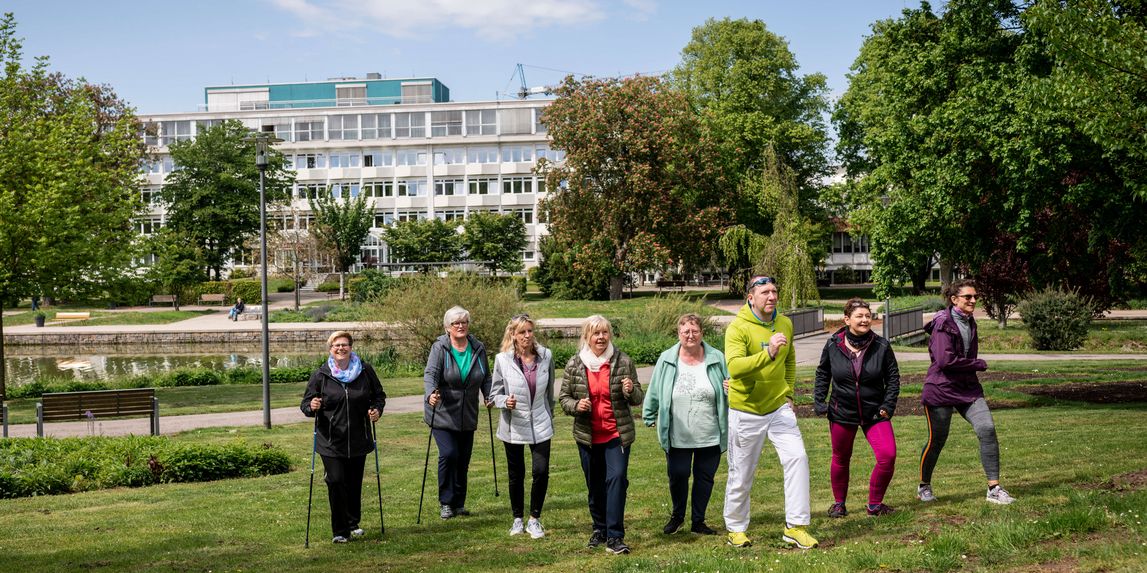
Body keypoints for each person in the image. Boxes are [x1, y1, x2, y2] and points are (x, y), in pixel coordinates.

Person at [723, 276, 818, 549]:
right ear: (750, 297)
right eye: (765, 292)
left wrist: (788, 392)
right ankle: (736, 528)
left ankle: (795, 526)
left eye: (775, 291)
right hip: (746, 410)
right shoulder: (737, 328)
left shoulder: (785, 323)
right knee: (742, 472)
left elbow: (790, 359)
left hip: (778, 408)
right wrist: (769, 353)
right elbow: (736, 368)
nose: (772, 296)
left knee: (798, 458)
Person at [918, 279, 1016, 505]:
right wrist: (976, 364)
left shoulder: (969, 321)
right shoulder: (943, 323)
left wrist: (971, 367)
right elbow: (944, 361)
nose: (973, 300)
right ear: (954, 300)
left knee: (987, 428)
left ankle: (994, 489)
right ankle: (924, 486)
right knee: (937, 440)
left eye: (975, 297)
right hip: (940, 389)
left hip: (968, 388)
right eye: (968, 297)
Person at [559, 315, 644, 555]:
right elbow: (564, 399)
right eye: (596, 333)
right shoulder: (575, 364)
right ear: (586, 336)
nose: (601, 337)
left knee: (616, 480)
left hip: (616, 434)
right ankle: (600, 528)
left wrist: (630, 391)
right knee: (595, 485)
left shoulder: (623, 361)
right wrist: (577, 406)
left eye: (605, 333)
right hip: (587, 436)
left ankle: (616, 536)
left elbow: (638, 398)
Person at [642, 313, 729, 536]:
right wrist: (649, 414)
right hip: (677, 432)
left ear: (702, 333)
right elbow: (655, 388)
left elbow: (731, 384)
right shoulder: (667, 358)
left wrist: (731, 388)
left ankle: (698, 521)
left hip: (709, 431)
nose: (690, 335)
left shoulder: (717, 357)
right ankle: (677, 516)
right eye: (685, 331)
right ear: (678, 333)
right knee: (678, 474)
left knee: (704, 477)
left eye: (695, 331)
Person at [813, 298, 901, 518]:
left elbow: (893, 378)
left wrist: (887, 406)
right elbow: (823, 373)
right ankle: (839, 504)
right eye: (859, 316)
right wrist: (819, 400)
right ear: (847, 319)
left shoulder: (881, 345)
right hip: (842, 412)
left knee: (887, 456)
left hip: (875, 413)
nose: (864, 320)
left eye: (867, 316)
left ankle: (874, 505)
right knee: (841, 458)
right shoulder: (834, 343)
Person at [300, 330, 386, 543]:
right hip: (330, 440)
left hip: (359, 437)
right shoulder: (321, 375)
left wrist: (376, 409)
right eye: (336, 345)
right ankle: (340, 531)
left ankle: (352, 522)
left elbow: (378, 396)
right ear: (331, 349)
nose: (341, 348)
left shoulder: (365, 371)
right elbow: (306, 404)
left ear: (351, 347)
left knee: (354, 482)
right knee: (336, 481)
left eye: (345, 344)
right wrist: (312, 406)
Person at [491, 313, 555, 539]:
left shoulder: (546, 356)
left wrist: (550, 416)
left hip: (541, 423)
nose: (527, 336)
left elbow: (549, 394)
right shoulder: (502, 360)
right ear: (513, 335)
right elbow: (493, 394)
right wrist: (504, 401)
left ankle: (534, 519)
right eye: (522, 332)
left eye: (530, 330)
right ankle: (517, 518)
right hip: (513, 426)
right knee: (516, 473)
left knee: (541, 471)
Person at [425, 306, 492, 519]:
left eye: (464, 322)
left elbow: (486, 377)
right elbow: (431, 374)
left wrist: (489, 395)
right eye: (456, 323)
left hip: (468, 413)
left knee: (463, 458)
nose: (461, 326)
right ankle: (446, 502)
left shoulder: (478, 348)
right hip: (443, 411)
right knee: (449, 454)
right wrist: (430, 394)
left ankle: (459, 503)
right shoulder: (440, 348)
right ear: (448, 328)